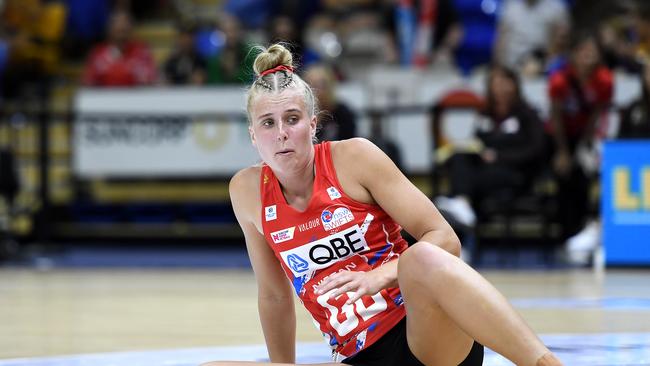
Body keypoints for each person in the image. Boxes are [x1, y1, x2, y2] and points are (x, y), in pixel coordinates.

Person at [202, 43, 563, 366]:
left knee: (421, 257)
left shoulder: (355, 157)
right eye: (268, 123)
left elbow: (445, 239)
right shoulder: (246, 191)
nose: (281, 132)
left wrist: (379, 276)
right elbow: (274, 296)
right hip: (357, 355)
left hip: (426, 338)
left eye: (292, 119)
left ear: (312, 125)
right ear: (252, 135)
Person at [434, 65, 546, 229]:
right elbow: (478, 141)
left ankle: (461, 204)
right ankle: (462, 205)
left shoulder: (527, 114)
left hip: (516, 171)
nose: (500, 88)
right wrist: (475, 150)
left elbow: (536, 149)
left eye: (504, 82)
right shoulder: (485, 114)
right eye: (495, 83)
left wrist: (499, 156)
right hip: (487, 166)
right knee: (459, 157)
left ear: (514, 85)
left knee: (468, 179)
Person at [547, 32, 613, 265]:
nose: (587, 56)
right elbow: (555, 116)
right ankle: (563, 234)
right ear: (573, 54)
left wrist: (584, 146)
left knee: (585, 174)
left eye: (592, 51)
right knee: (563, 175)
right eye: (583, 51)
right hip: (560, 136)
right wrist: (562, 152)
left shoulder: (604, 80)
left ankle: (583, 232)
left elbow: (597, 114)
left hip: (586, 136)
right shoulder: (559, 79)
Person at [82, 10, 157, 87]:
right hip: (106, 97)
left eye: (124, 30)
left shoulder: (142, 51)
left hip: (135, 97)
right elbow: (89, 83)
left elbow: (149, 80)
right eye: (119, 30)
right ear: (109, 30)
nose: (121, 34)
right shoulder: (98, 53)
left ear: (130, 30)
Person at [303, 63, 357, 142]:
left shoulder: (342, 113)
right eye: (311, 85)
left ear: (330, 86)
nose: (316, 90)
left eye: (320, 84)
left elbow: (350, 142)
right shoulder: (303, 114)